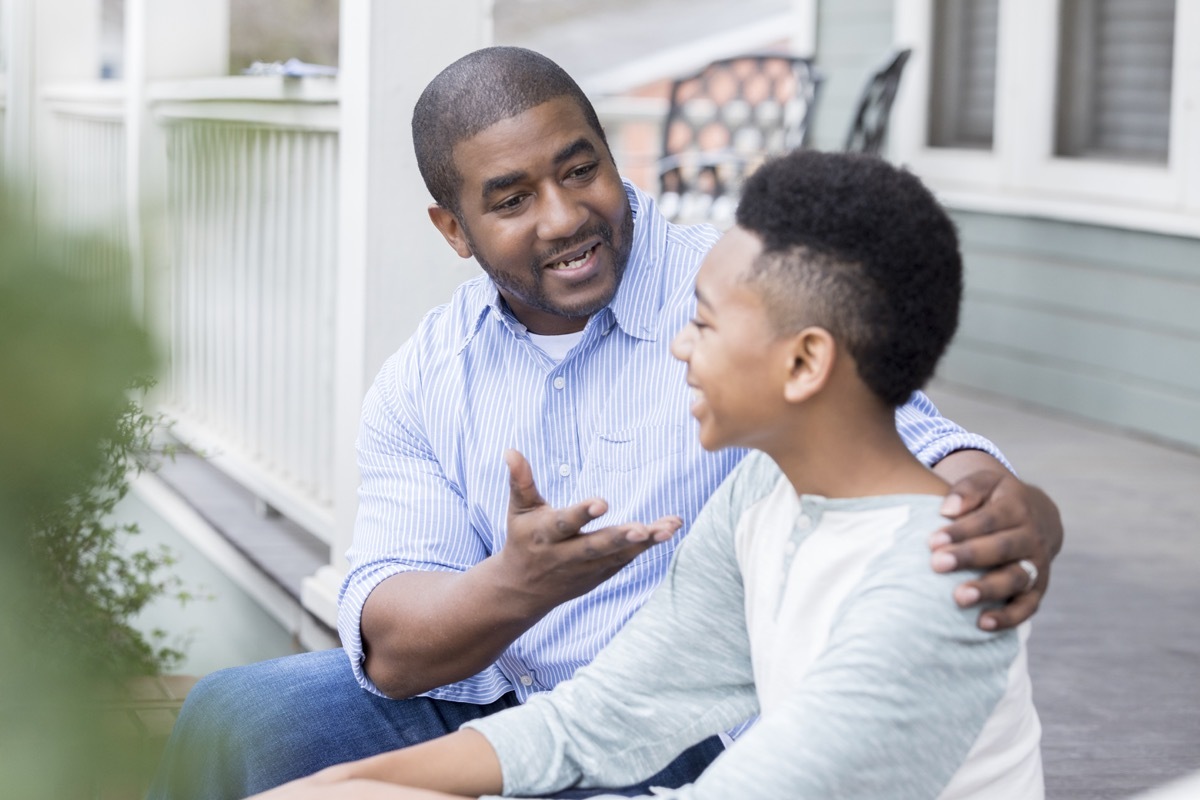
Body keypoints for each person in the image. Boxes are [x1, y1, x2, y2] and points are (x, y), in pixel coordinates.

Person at [147, 46, 1061, 800]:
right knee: (239, 715)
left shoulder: (742, 285)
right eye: (510, 199)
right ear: (454, 229)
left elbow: (895, 437)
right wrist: (517, 587)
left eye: (581, 169)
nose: (565, 215)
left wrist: (1000, 503)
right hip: (525, 698)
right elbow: (416, 658)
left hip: (697, 738)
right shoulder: (431, 378)